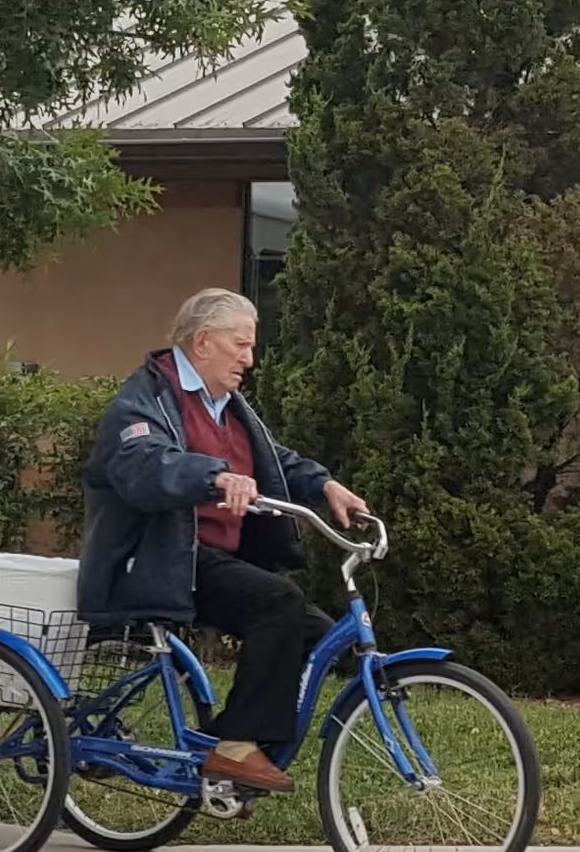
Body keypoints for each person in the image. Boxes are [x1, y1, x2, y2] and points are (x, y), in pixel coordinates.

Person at [77, 289, 368, 794]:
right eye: (241, 345)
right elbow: (145, 464)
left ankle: (224, 753)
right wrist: (215, 476)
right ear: (204, 341)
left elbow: (273, 459)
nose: (249, 360)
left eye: (251, 348)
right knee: (279, 602)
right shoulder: (143, 400)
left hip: (208, 560)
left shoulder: (227, 407)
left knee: (311, 630)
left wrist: (324, 485)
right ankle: (234, 746)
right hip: (157, 559)